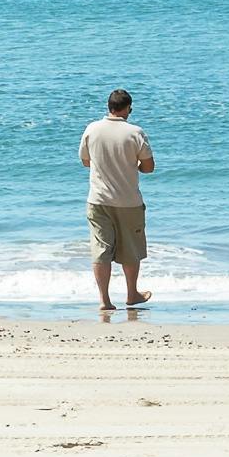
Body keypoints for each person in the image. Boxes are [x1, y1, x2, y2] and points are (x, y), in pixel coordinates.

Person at [78, 89, 155, 309]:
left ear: (109, 107)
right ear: (128, 108)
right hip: (128, 201)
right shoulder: (135, 132)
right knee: (130, 249)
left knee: (101, 249)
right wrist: (131, 165)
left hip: (98, 200)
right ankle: (132, 294)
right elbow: (148, 167)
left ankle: (104, 300)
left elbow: (85, 161)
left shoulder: (92, 129)